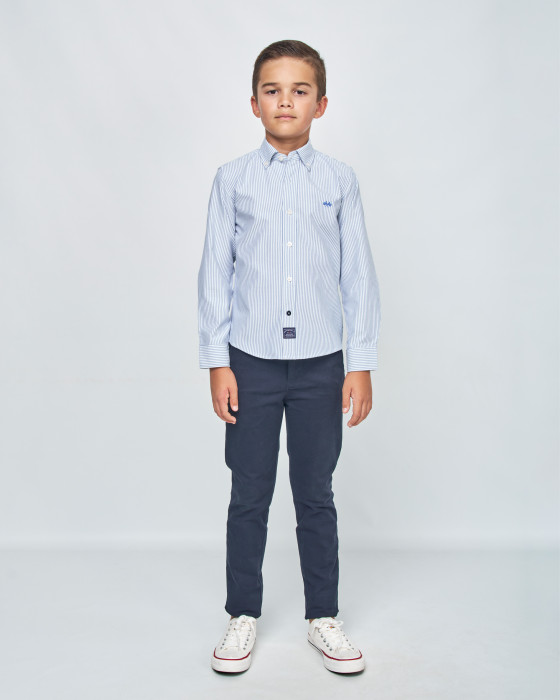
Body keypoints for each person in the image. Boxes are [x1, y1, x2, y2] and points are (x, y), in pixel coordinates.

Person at [197, 39, 381, 675]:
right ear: (254, 103)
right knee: (249, 492)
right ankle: (242, 614)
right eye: (272, 91)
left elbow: (357, 275)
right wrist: (217, 361)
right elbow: (215, 275)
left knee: (315, 493)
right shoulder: (232, 180)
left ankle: (322, 616)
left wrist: (360, 363)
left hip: (321, 365)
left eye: (299, 91)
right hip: (249, 361)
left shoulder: (339, 181)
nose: (285, 101)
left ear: (320, 104)